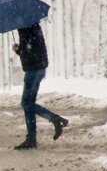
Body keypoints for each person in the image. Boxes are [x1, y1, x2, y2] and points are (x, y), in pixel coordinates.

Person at [11, 22, 68, 150]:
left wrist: (18, 49)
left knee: (26, 103)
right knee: (29, 103)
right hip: (38, 67)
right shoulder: (31, 25)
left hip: (34, 69)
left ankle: (54, 120)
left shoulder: (26, 27)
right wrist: (21, 49)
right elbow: (32, 48)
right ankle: (32, 138)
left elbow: (29, 51)